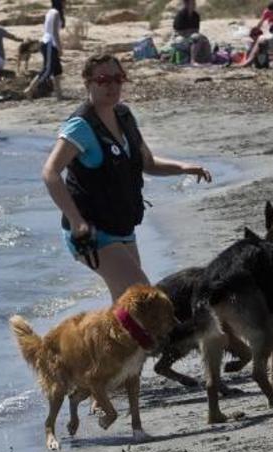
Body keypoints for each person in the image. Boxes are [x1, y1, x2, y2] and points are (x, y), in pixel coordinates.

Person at [41, 54, 212, 302]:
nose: (112, 86)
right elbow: (50, 172)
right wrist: (76, 221)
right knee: (144, 297)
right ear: (88, 83)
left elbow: (148, 163)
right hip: (92, 233)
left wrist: (183, 167)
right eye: (103, 79)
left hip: (122, 227)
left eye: (118, 78)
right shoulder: (81, 126)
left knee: (125, 306)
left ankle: (110, 342)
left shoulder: (124, 116)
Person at [25, 0, 64, 99]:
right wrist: (60, 48)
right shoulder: (55, 13)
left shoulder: (50, 12)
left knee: (57, 70)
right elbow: (54, 33)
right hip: (49, 44)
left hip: (49, 43)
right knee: (48, 70)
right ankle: (30, 89)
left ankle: (59, 94)